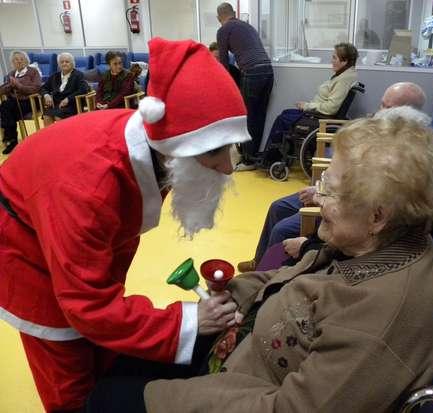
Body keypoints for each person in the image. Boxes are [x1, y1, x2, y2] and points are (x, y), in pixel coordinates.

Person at [87, 116, 433, 413]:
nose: (316, 198)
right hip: (243, 343)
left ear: (377, 216)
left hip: (242, 382)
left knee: (107, 398)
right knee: (121, 363)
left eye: (330, 189)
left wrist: (173, 398)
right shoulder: (374, 245)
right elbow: (288, 276)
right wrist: (233, 294)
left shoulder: (378, 322)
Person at [0, 38, 251, 412]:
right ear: (176, 149)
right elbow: (87, 304)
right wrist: (187, 322)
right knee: (70, 380)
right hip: (24, 255)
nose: (228, 167)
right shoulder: (89, 187)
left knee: (104, 350)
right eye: (214, 151)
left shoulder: (156, 145)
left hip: (67, 231)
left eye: (229, 149)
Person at [238, 82, 429, 272]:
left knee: (283, 230)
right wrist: (322, 189)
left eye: (388, 107)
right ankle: (260, 262)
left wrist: (307, 245)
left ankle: (267, 277)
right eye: (382, 104)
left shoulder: (401, 163)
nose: (379, 112)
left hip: (339, 204)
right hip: (331, 192)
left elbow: (355, 213)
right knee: (278, 207)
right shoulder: (381, 135)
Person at [262, 43, 358, 153]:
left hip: (319, 118)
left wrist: (307, 106)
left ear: (344, 61)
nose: (331, 60)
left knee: (282, 119)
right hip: (317, 114)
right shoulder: (345, 75)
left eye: (334, 57)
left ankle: (271, 156)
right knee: (285, 113)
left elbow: (331, 108)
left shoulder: (343, 80)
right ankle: (274, 154)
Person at [216, 2, 273, 171]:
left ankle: (248, 161)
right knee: (259, 115)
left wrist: (222, 88)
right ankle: (253, 155)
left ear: (219, 18)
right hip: (268, 71)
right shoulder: (247, 27)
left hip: (252, 72)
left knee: (247, 116)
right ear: (234, 13)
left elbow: (224, 64)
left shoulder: (223, 30)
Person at [0, 50, 41, 155]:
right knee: (6, 107)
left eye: (21, 59)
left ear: (26, 60)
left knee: (5, 108)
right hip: (14, 103)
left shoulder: (33, 72)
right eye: (16, 60)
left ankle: (10, 139)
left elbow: (36, 89)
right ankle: (13, 139)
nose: (18, 61)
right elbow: (3, 90)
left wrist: (19, 85)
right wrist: (10, 85)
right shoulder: (11, 74)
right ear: (12, 62)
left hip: (29, 101)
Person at [40, 52, 89, 127]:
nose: (64, 64)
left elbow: (83, 89)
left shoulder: (78, 75)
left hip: (72, 105)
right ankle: (51, 138)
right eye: (62, 62)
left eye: (67, 61)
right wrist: (46, 95)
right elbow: (43, 88)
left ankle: (64, 137)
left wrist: (68, 99)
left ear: (72, 63)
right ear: (59, 64)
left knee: (58, 117)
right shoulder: (54, 76)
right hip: (56, 105)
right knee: (46, 116)